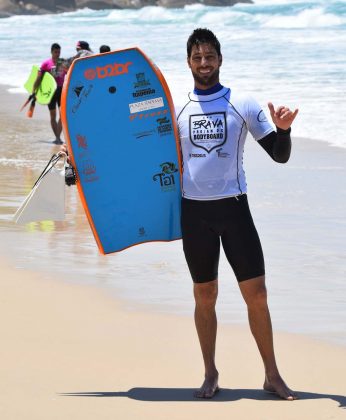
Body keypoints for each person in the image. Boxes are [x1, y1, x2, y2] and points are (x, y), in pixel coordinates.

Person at [177, 28, 299, 400]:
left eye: (209, 56)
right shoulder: (175, 108)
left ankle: (272, 375)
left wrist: (283, 130)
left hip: (234, 210)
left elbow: (279, 155)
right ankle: (210, 373)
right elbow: (134, 151)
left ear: (220, 59)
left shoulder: (241, 103)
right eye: (197, 57)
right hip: (194, 213)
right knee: (205, 295)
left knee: (257, 295)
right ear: (189, 62)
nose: (204, 64)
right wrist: (81, 165)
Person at [33, 43, 67, 144]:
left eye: (59, 52)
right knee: (53, 115)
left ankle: (58, 137)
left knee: (62, 115)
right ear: (51, 52)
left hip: (61, 90)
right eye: (56, 52)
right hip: (51, 92)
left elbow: (69, 75)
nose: (57, 54)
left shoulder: (64, 63)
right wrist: (34, 91)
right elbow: (39, 78)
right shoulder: (46, 63)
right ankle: (57, 137)